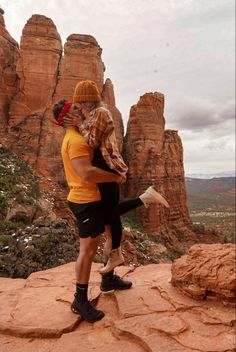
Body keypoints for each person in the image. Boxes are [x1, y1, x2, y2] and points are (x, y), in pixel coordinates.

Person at [54, 81, 169, 273]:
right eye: (75, 107)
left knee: (109, 214)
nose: (78, 108)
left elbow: (91, 141)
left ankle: (145, 198)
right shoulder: (92, 115)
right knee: (110, 217)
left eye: (78, 104)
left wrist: (79, 124)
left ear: (85, 100)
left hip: (108, 167)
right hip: (106, 167)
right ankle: (113, 264)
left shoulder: (99, 113)